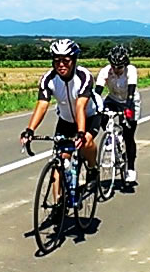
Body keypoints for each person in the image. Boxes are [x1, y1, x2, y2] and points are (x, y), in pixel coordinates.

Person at [19, 39, 101, 181]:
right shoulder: (48, 79)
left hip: (89, 116)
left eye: (66, 61)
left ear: (74, 61)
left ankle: (93, 168)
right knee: (61, 159)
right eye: (57, 61)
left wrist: (81, 133)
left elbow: (80, 106)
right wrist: (30, 130)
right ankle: (58, 201)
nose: (61, 65)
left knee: (86, 142)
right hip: (66, 119)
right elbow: (42, 104)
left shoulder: (83, 76)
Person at [95, 45, 140, 184]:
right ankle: (111, 138)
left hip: (129, 100)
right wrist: (94, 106)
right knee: (99, 113)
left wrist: (127, 109)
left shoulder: (131, 70)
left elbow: (131, 90)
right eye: (114, 66)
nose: (116, 69)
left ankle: (131, 168)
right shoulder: (106, 71)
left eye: (119, 67)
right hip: (113, 99)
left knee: (128, 135)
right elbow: (97, 92)